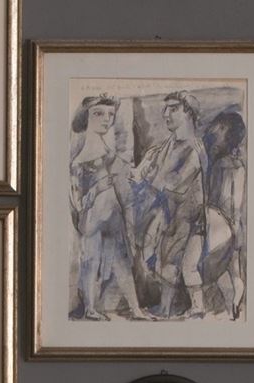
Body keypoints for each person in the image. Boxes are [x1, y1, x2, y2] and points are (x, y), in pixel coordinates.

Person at [69, 95, 152, 321]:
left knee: (122, 261)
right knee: (91, 260)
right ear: (86, 118)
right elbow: (77, 201)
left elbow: (126, 187)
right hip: (93, 219)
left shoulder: (110, 154)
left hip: (114, 215)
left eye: (110, 115)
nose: (106, 119)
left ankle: (135, 309)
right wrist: (97, 189)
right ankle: (90, 309)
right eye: (99, 114)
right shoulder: (78, 162)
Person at [135, 91, 209, 318]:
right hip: (168, 215)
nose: (166, 114)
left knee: (174, 262)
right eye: (165, 109)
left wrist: (145, 177)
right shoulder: (167, 144)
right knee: (159, 258)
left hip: (187, 217)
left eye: (174, 109)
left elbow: (176, 184)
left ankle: (174, 309)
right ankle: (166, 308)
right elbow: (153, 174)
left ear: (189, 113)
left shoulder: (194, 148)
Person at [203, 112, 247, 319]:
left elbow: (222, 198)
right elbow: (235, 201)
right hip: (232, 223)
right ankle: (234, 303)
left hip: (220, 222)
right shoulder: (238, 165)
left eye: (219, 129)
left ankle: (231, 306)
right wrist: (236, 225)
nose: (214, 132)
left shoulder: (221, 165)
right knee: (233, 269)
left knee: (223, 268)